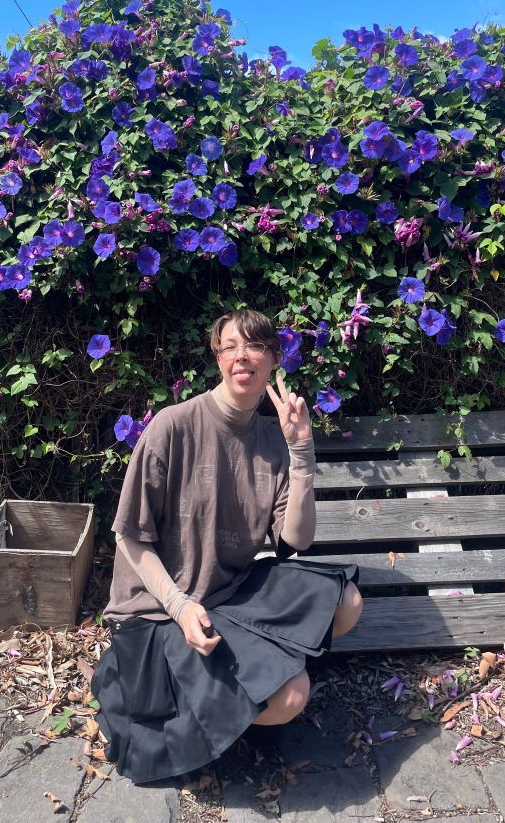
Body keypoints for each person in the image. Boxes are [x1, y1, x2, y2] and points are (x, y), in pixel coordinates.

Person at [91, 308, 362, 784]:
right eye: (230, 346)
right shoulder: (173, 427)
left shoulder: (274, 441)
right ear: (217, 358)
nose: (242, 355)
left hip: (230, 597)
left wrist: (301, 455)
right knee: (291, 696)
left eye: (254, 345)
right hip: (158, 611)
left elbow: (295, 540)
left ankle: (231, 692)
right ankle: (206, 701)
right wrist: (178, 605)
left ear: (274, 359)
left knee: (347, 601)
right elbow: (129, 539)